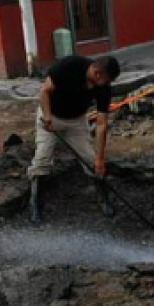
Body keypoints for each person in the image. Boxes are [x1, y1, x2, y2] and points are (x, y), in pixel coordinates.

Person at [27, 54, 121, 223]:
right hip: (51, 117)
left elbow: (101, 125)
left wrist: (100, 159)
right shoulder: (69, 66)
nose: (107, 85)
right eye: (106, 80)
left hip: (77, 122)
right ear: (97, 73)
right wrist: (47, 117)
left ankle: (103, 200)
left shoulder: (103, 88)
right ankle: (35, 203)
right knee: (42, 160)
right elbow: (45, 91)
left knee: (91, 161)